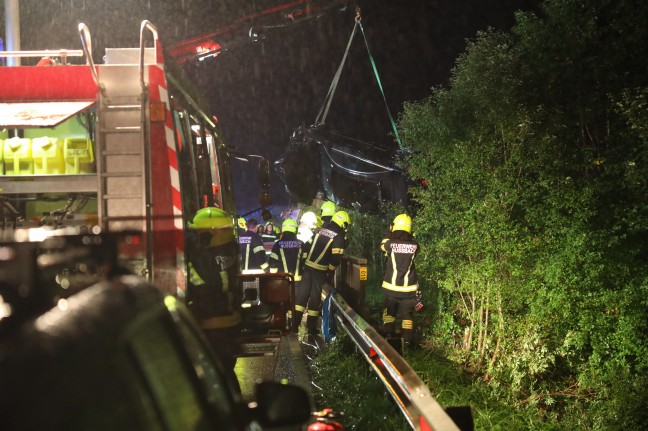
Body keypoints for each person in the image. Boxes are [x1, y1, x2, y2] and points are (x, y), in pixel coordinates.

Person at [185, 207, 242, 387]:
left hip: (210, 323)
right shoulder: (230, 251)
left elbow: (196, 285)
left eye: (197, 233)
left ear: (207, 235)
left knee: (214, 374)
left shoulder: (202, 258)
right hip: (231, 320)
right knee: (226, 370)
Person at [295, 210, 350, 336]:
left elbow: (306, 246)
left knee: (302, 296)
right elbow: (336, 259)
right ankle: (311, 328)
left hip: (308, 268)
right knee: (315, 298)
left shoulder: (320, 231)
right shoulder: (338, 237)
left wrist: (304, 261)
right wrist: (330, 273)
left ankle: (294, 325)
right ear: (343, 224)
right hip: (319, 271)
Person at [380, 213, 420, 347]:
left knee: (389, 314)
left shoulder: (390, 244)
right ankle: (407, 342)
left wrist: (389, 233)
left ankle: (388, 336)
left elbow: (382, 246)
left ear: (394, 227)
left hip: (391, 289)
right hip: (408, 291)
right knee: (407, 316)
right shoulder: (415, 246)